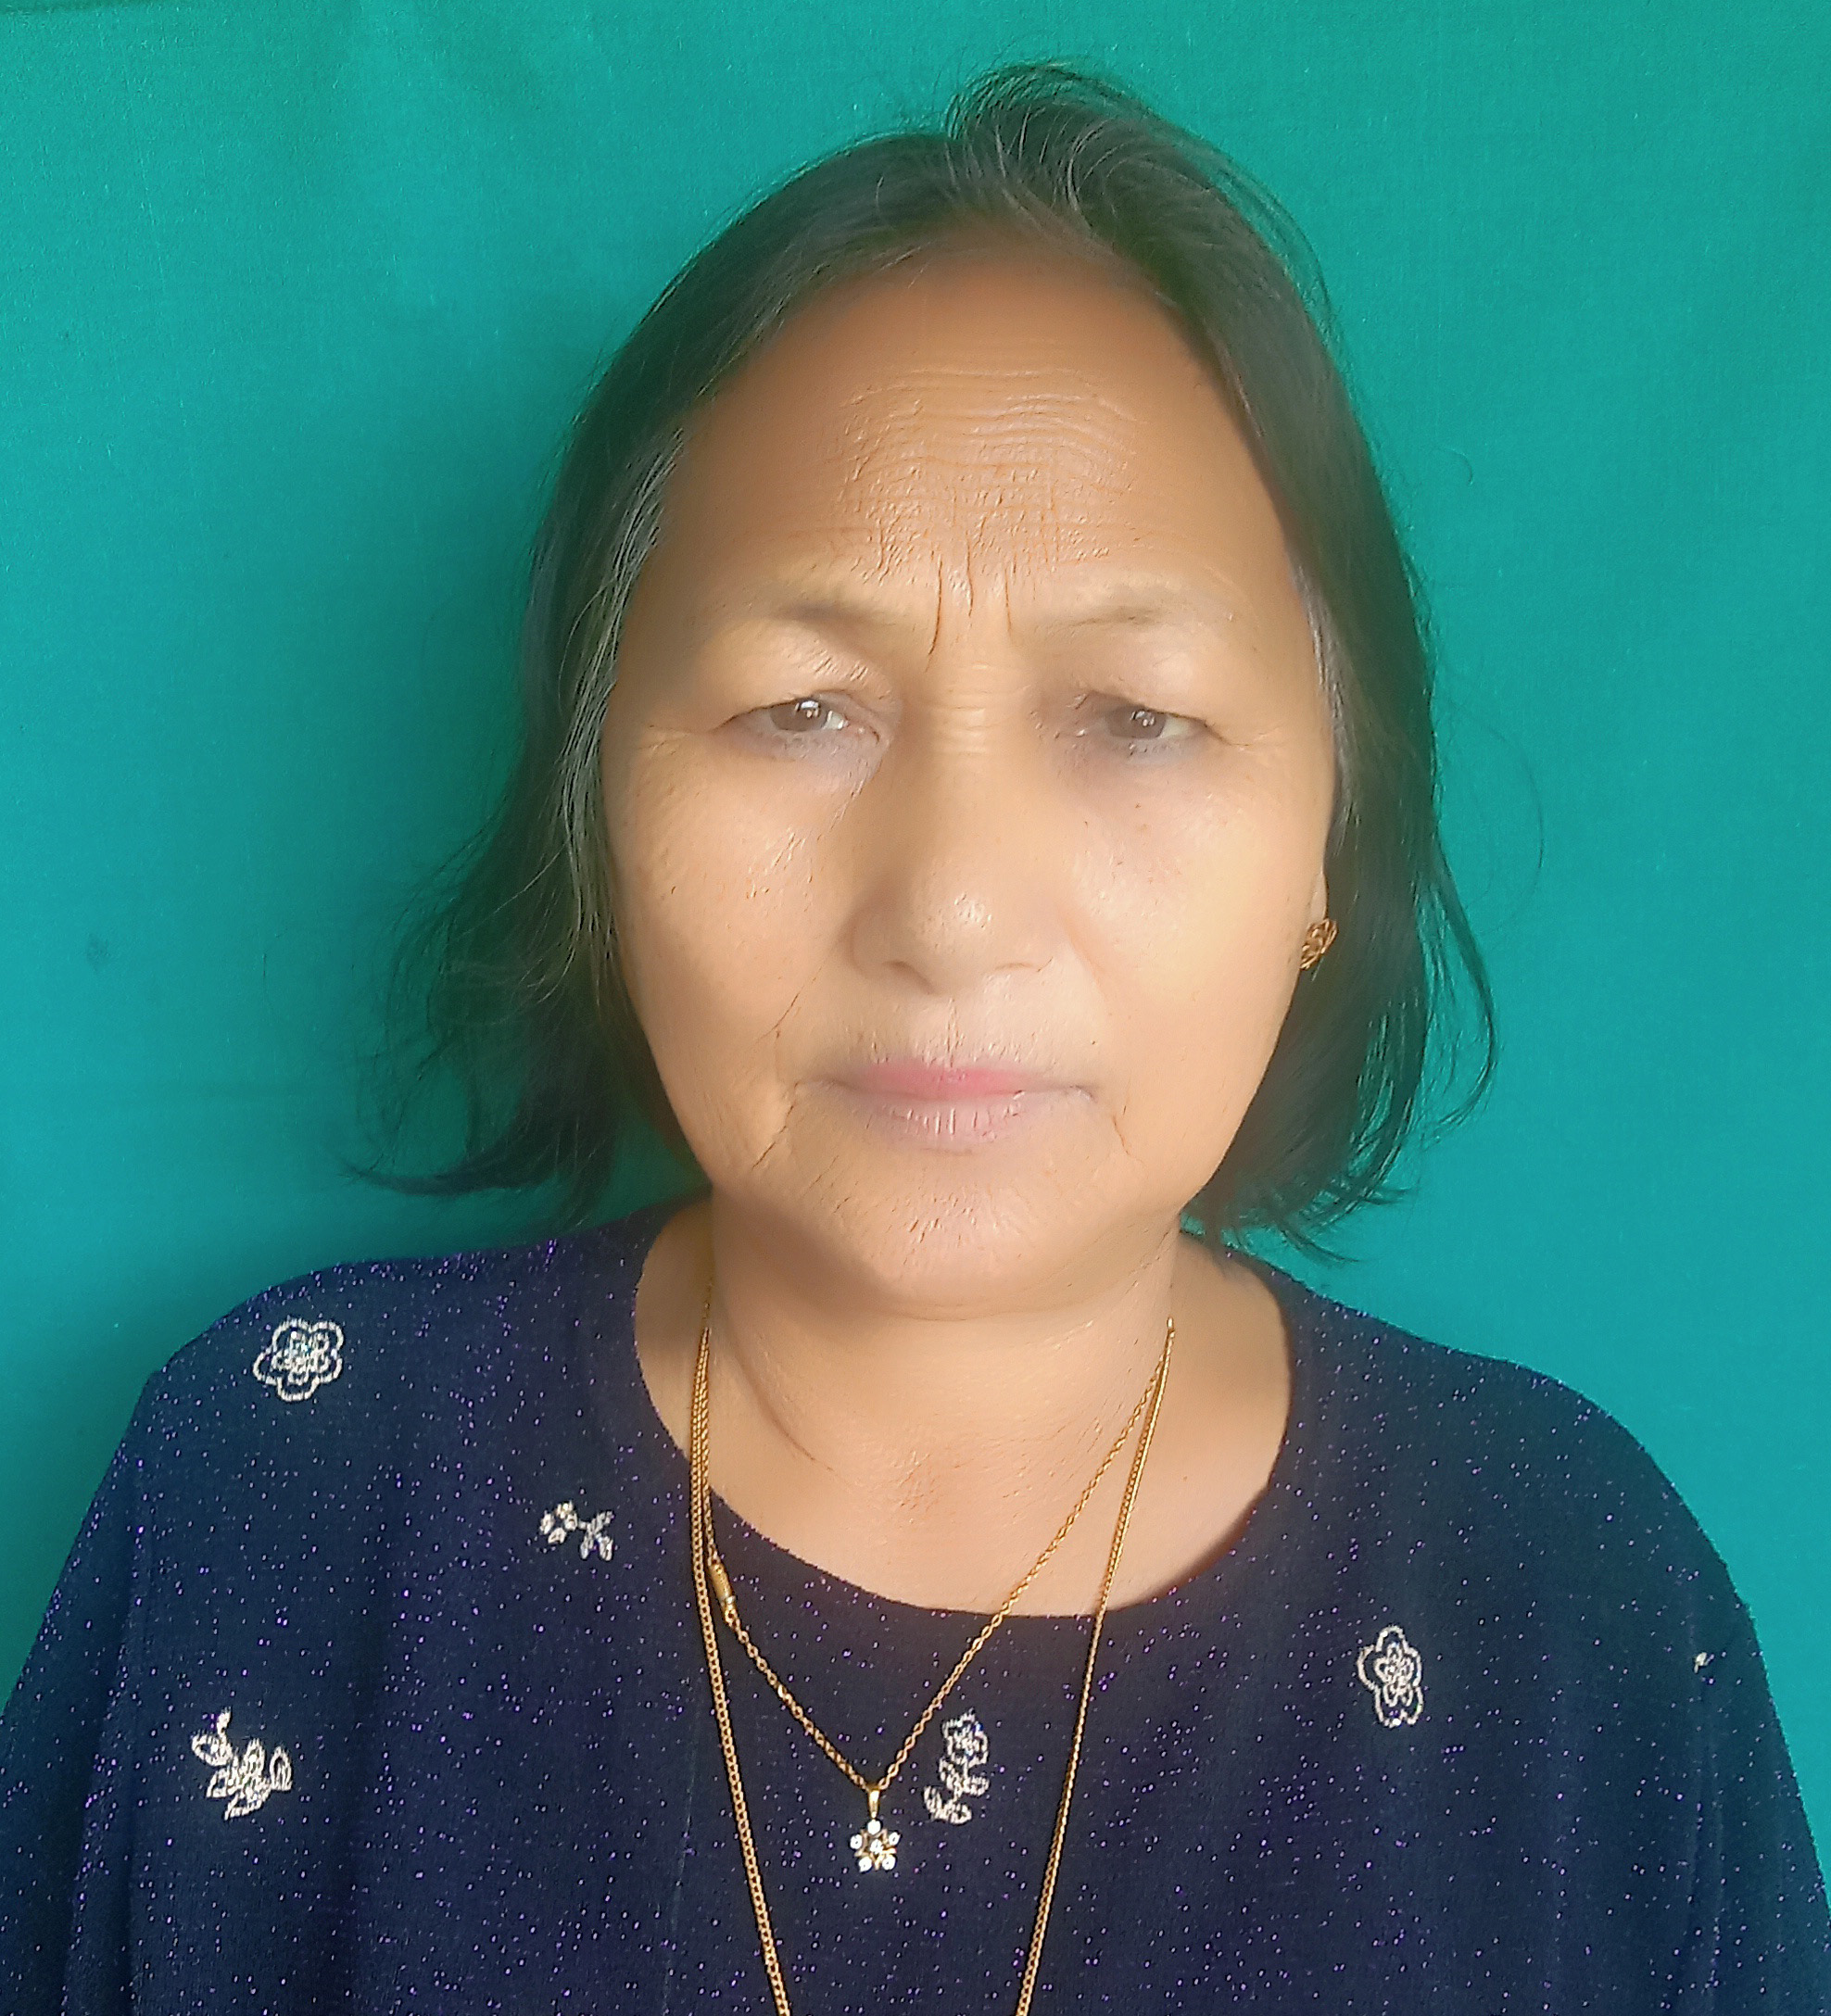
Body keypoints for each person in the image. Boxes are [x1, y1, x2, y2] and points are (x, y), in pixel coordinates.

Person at [2, 62, 1825, 2015]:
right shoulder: (280, 1495)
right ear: (598, 808)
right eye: (801, 709)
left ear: (1331, 842)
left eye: (1134, 717)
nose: (951, 908)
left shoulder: (1573, 1609)